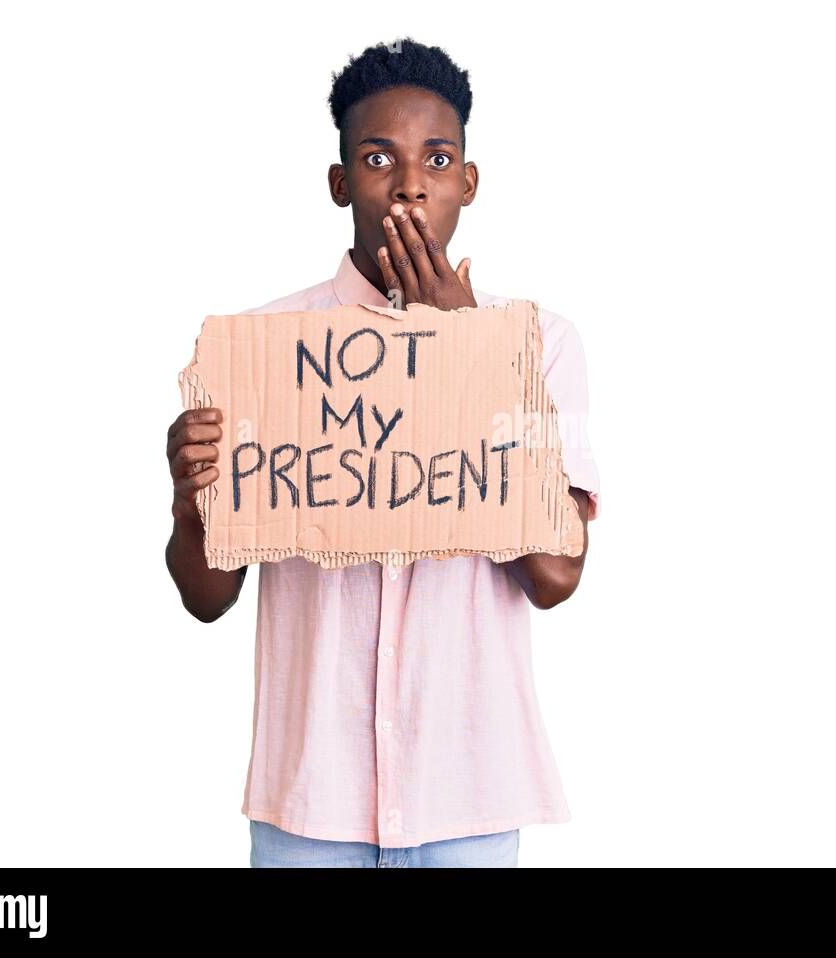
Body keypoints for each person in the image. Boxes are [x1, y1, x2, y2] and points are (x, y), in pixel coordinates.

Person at [163, 37, 601, 868]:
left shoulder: (542, 346)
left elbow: (555, 576)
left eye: (437, 158)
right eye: (378, 159)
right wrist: (192, 500)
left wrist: (469, 353)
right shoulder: (263, 352)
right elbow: (205, 598)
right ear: (339, 184)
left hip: (468, 794)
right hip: (309, 805)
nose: (410, 184)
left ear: (468, 182)